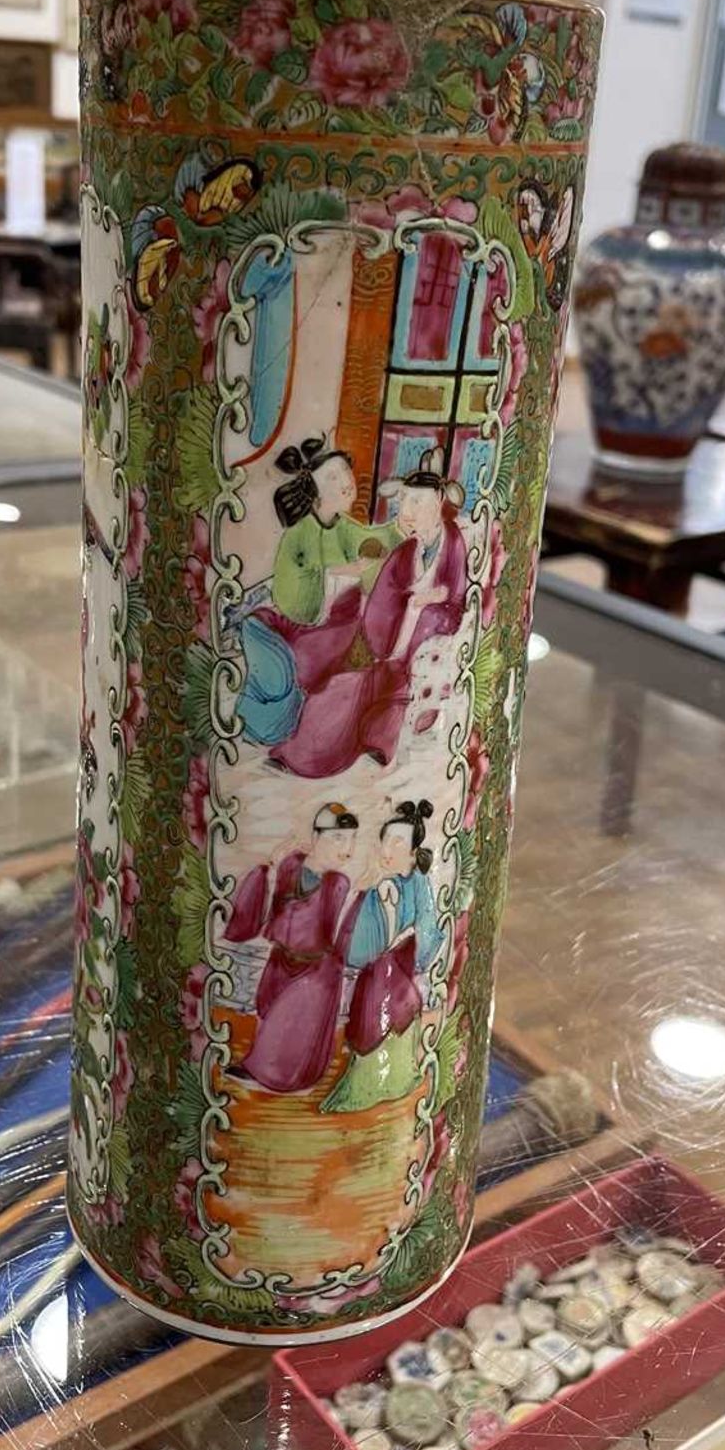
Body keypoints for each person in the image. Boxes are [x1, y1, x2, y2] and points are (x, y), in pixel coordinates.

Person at [269, 455, 469, 780]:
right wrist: (386, 609)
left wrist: (428, 600)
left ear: (438, 502)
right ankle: (308, 751)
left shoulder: (453, 541)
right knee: (348, 680)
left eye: (416, 501)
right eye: (404, 500)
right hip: (394, 626)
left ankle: (377, 736)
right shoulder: (407, 548)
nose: (406, 509)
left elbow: (454, 590)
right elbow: (384, 589)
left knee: (378, 668)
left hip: (435, 619)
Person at [236, 438, 399, 748]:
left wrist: (401, 525)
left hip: (330, 626)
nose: (346, 483)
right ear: (313, 490)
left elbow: (375, 538)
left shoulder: (343, 527)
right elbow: (292, 589)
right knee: (299, 673)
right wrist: (338, 574)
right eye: (333, 477)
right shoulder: (300, 532)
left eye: (345, 473)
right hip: (296, 626)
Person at [223, 803, 360, 1094]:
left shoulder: (338, 883)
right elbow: (274, 910)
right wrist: (271, 866)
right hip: (283, 958)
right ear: (316, 836)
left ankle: (272, 1075)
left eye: (351, 840)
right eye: (338, 838)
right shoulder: (291, 866)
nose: (346, 848)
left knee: (290, 1019)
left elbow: (328, 931)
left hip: (317, 969)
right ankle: (271, 1070)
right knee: (270, 1012)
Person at [323, 800, 439, 1112]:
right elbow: (359, 938)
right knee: (371, 990)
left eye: (397, 842)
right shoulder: (379, 886)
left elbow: (428, 929)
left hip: (402, 966)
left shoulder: (418, 884)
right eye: (385, 840)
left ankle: (394, 1078)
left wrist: (408, 942)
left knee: (381, 992)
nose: (388, 849)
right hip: (382, 966)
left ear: (414, 853)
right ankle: (368, 1083)